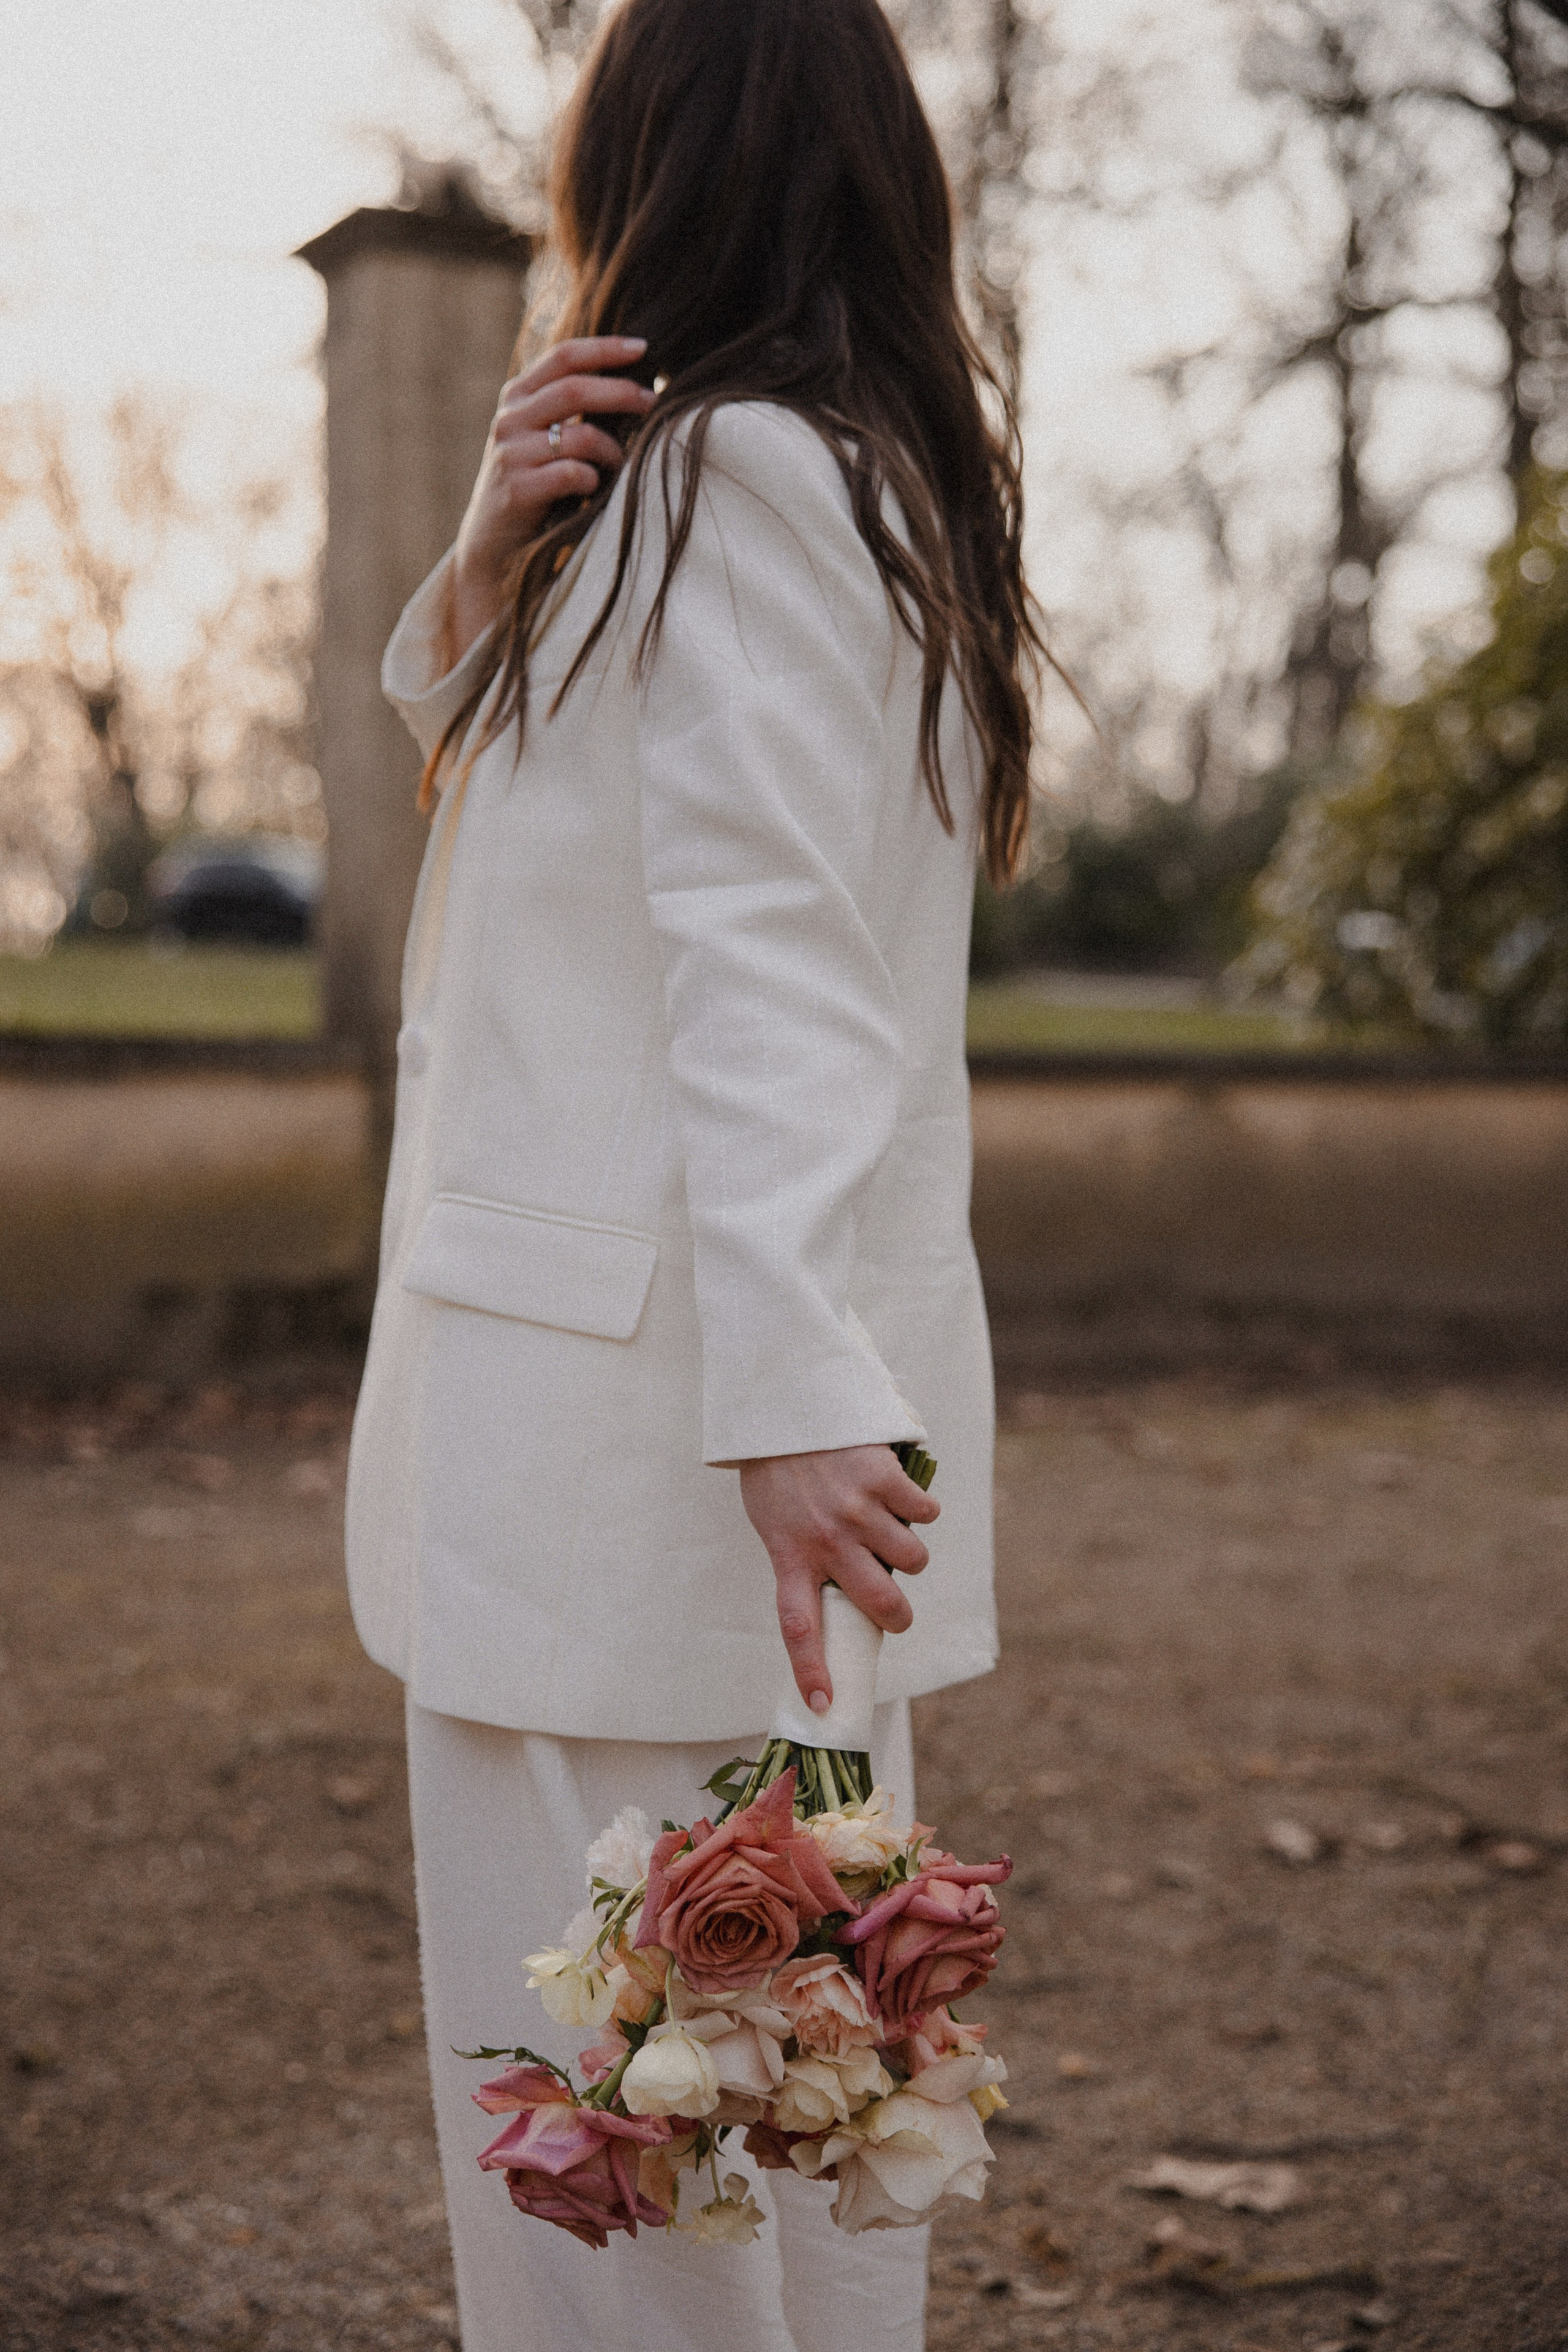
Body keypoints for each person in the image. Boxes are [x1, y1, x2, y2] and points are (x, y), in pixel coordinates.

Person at [343, 0, 1042, 2343]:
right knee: (798, 2132)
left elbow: (766, 956)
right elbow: (608, 854)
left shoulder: (731, 476)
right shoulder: (848, 484)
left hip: (646, 1466)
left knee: (627, 2189)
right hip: (748, 1456)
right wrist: (477, 568)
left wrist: (774, 1392)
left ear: (651, 163)